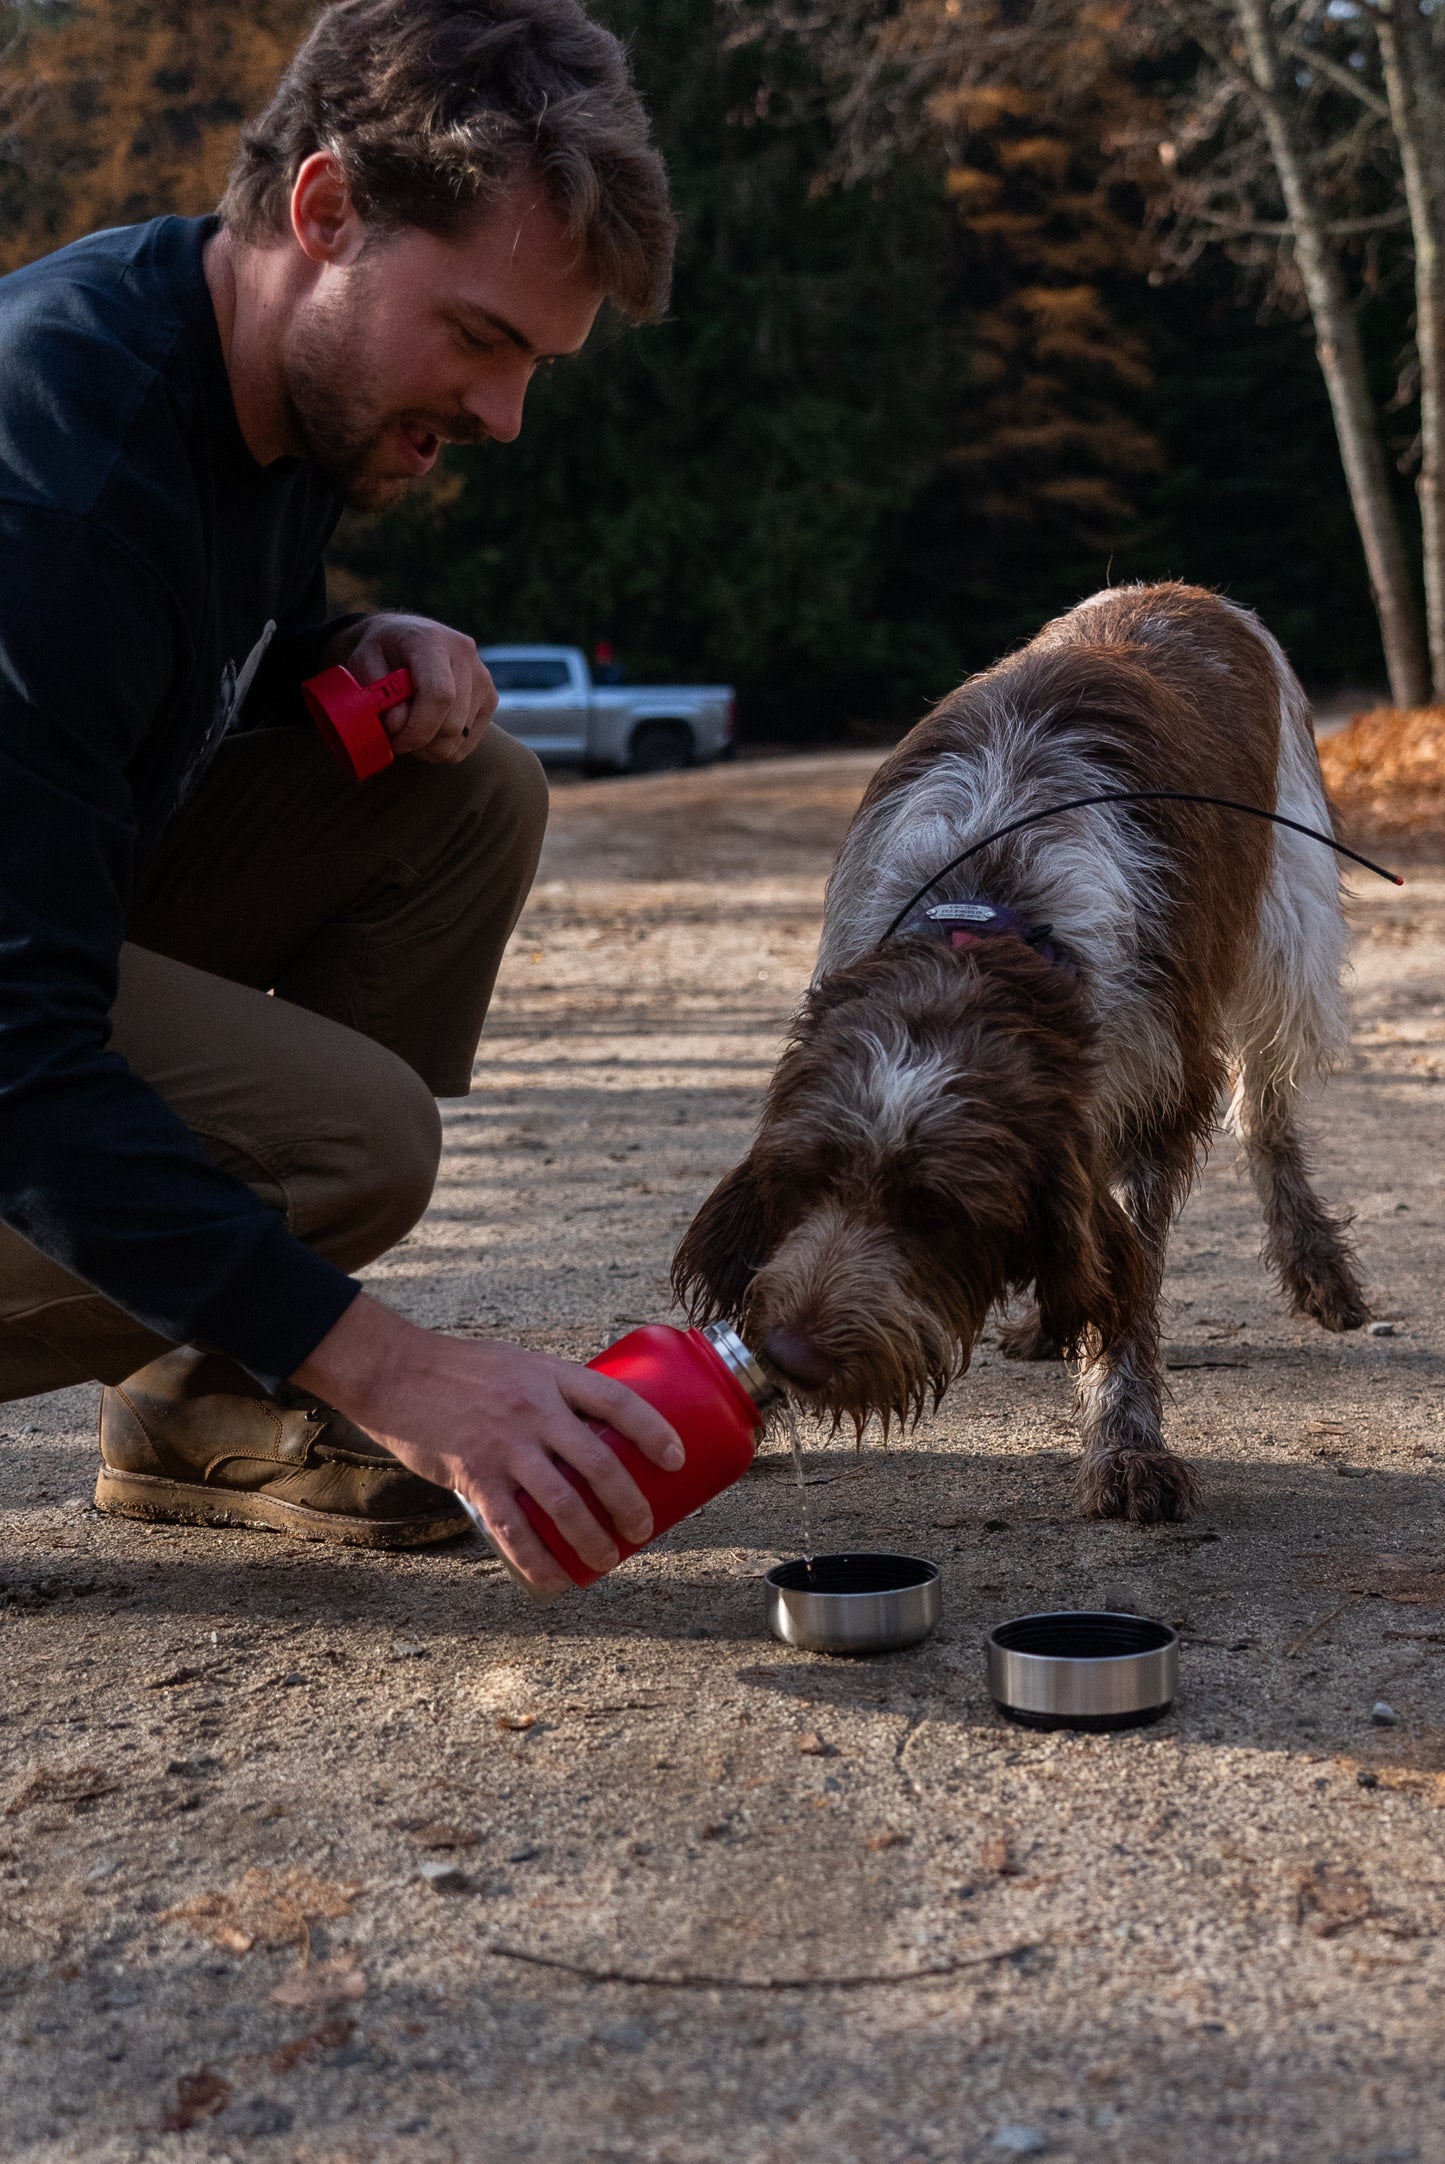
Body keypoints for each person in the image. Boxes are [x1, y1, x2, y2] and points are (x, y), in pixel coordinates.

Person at [0, 0, 686, 1598]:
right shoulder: (55, 486)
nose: (504, 415)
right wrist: (388, 1368)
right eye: (482, 338)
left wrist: (344, 641)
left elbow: (146, 674)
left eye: (533, 362)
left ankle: (201, 1397)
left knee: (461, 794)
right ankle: (266, 1343)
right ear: (324, 214)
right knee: (350, 1139)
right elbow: (14, 1046)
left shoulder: (248, 386)